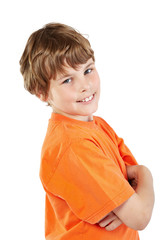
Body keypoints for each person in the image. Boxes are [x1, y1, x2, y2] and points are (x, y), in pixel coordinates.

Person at [19, 23, 154, 240]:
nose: (85, 85)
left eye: (88, 70)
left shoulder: (96, 125)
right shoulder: (74, 145)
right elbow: (139, 215)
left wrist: (124, 202)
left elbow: (129, 178)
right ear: (42, 92)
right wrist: (146, 174)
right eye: (67, 79)